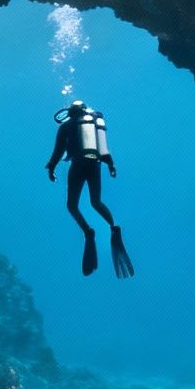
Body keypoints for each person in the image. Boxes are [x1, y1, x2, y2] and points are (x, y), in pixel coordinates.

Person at [46, 101, 134, 277]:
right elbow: (103, 149)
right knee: (96, 202)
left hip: (78, 164)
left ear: (70, 112)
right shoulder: (95, 124)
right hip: (95, 165)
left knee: (72, 206)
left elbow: (58, 151)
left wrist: (51, 167)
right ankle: (114, 227)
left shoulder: (66, 126)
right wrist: (111, 166)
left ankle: (88, 232)